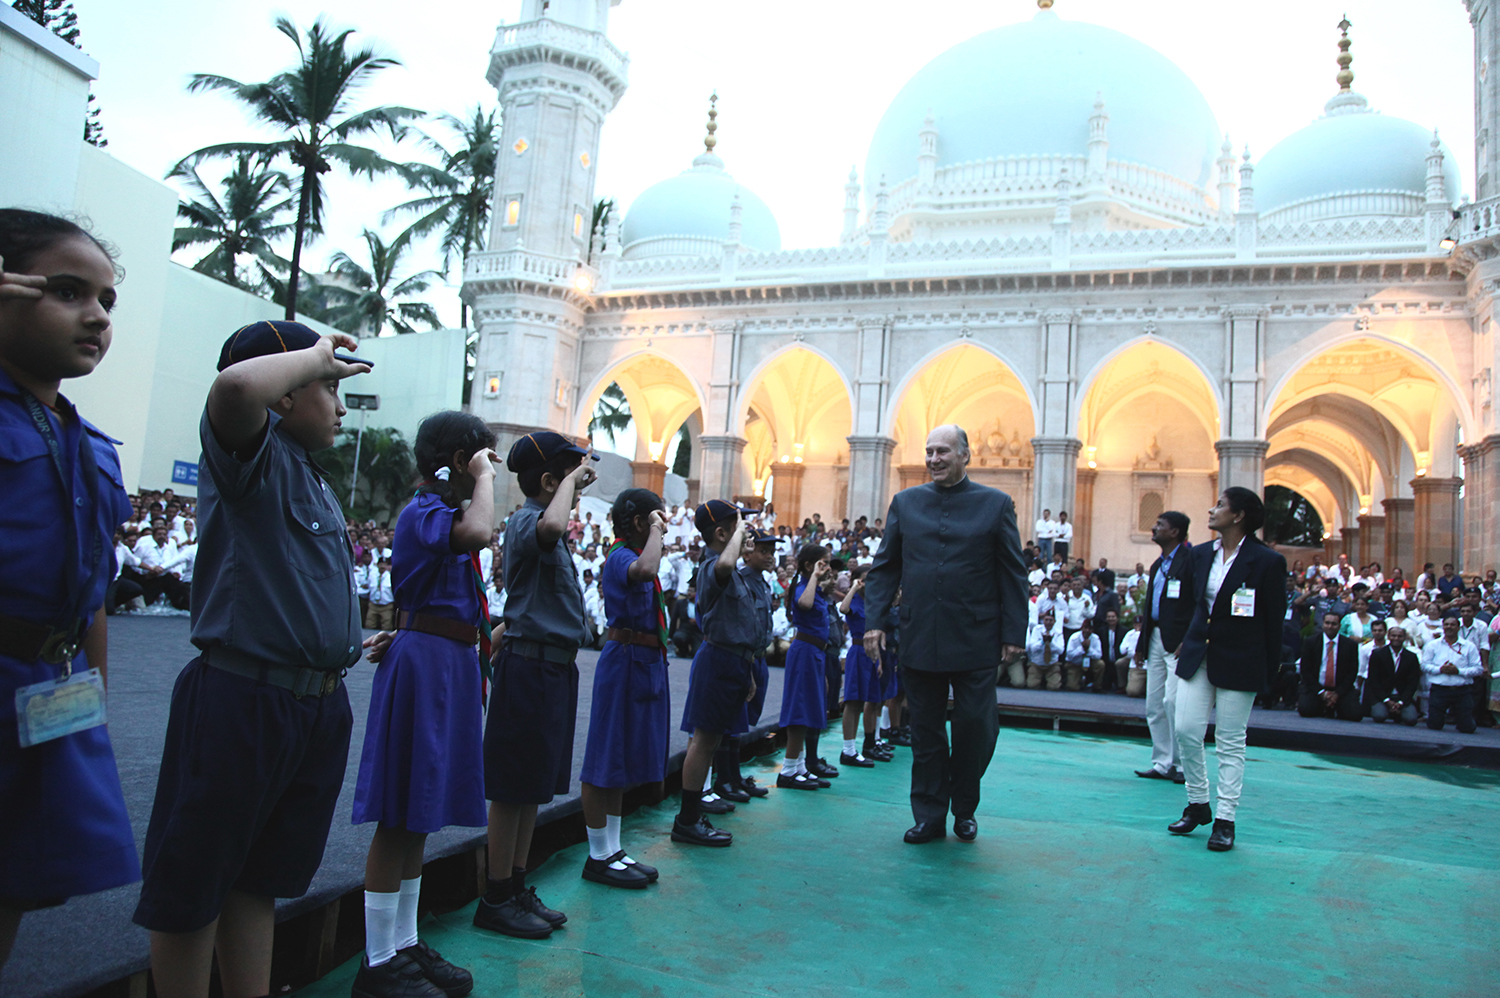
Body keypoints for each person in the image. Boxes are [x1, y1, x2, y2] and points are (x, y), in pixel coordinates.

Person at [133, 321, 370, 998]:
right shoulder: (251, 456)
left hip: (313, 703)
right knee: (195, 882)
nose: (343, 404)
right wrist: (313, 357)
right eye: (329, 387)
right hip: (243, 697)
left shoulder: (308, 474)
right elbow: (236, 388)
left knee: (258, 881)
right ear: (288, 392)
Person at [0, 212, 140, 973]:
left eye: (107, 299)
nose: (96, 315)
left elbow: (91, 593)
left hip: (49, 689)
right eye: (66, 291)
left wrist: (94, 693)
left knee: (16, 881)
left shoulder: (87, 443)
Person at [349, 413, 496, 998]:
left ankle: (403, 944)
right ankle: (379, 960)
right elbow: (478, 532)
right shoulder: (427, 510)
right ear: (461, 461)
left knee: (421, 814)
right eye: (482, 457)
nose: (490, 469)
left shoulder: (441, 510)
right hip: (426, 662)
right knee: (400, 814)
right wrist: (485, 478)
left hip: (447, 661)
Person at [864, 425, 1028, 845]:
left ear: (965, 455)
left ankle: (965, 805)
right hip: (920, 635)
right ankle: (930, 815)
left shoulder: (995, 504)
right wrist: (876, 623)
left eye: (943, 452)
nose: (934, 459)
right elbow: (885, 569)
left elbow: (1013, 572)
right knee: (926, 732)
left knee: (977, 727)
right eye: (929, 452)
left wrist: (1014, 632)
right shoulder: (906, 502)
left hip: (976, 638)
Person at [473, 431, 595, 940]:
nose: (578, 490)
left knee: (531, 790)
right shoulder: (528, 522)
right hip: (529, 668)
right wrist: (569, 482)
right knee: (512, 789)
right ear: (550, 481)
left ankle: (516, 887)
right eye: (568, 479)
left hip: (550, 669)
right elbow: (548, 527)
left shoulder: (547, 529)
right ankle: (496, 895)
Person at [1169, 488, 1287, 853]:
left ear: (1239, 516)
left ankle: (1225, 820)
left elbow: (1273, 619)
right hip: (1199, 654)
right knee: (1186, 729)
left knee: (1231, 740)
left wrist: (1269, 668)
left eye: (1220, 505)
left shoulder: (1267, 561)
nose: (1211, 509)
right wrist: (1181, 641)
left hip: (1242, 659)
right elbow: (1189, 604)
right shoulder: (1200, 554)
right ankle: (1198, 803)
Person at [578, 489, 670, 890]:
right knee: (606, 756)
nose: (662, 525)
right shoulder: (620, 556)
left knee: (622, 760)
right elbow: (647, 570)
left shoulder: (631, 554)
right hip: (624, 658)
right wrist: (657, 533)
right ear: (638, 523)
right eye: (655, 518)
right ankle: (598, 853)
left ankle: (612, 849)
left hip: (643, 660)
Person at [673, 500, 758, 846]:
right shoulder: (713, 565)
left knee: (712, 741)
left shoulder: (732, 571)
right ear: (722, 533)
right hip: (718, 660)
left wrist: (747, 669)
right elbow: (725, 561)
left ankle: (694, 814)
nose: (747, 531)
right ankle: (688, 820)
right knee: (703, 741)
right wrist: (737, 538)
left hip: (734, 661)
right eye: (739, 526)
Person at [713, 527, 779, 803]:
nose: (770, 557)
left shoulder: (763, 582)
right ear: (749, 553)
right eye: (764, 551)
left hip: (758, 657)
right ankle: (724, 780)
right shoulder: (742, 579)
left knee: (741, 723)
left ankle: (734, 777)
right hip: (745, 657)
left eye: (772, 552)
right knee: (729, 722)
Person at [1135, 511, 1193, 784]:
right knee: (1154, 703)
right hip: (1156, 637)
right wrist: (1141, 642)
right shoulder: (1158, 565)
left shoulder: (1189, 562)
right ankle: (1162, 762)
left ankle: (1181, 765)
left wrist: (1189, 638)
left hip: (1177, 641)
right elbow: (1149, 607)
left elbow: (1196, 604)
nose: (1154, 529)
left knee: (1173, 702)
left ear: (1175, 532)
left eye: (1160, 525)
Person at [777, 544, 835, 789]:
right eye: (823, 562)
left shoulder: (818, 590)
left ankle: (799, 767)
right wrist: (814, 576)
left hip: (815, 654)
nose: (828, 567)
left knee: (809, 706)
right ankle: (788, 770)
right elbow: (804, 604)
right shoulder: (804, 586)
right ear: (809, 565)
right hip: (804, 652)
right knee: (799, 709)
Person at [837, 566, 887, 767]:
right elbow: (843, 609)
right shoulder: (855, 600)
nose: (868, 583)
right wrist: (854, 588)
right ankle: (848, 750)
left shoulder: (872, 603)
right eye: (864, 580)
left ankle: (870, 742)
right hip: (857, 652)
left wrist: (879, 660)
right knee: (853, 702)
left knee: (873, 700)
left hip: (872, 655)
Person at [1421, 616, 1483, 733]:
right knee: (1434, 725)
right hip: (1439, 690)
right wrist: (1440, 669)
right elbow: (1424, 665)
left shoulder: (1469, 646)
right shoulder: (1433, 645)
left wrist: (1458, 671)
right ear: (1443, 627)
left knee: (1467, 728)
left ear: (1458, 627)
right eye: (1446, 624)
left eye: (1452, 624)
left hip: (1462, 691)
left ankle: (1464, 719)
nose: (1449, 627)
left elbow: (1478, 669)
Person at [1298, 611, 1362, 721]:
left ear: (1339, 626)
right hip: (1317, 688)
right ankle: (1324, 706)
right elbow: (1305, 670)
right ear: (1323, 624)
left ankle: (1333, 705)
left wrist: (1337, 694)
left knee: (1354, 715)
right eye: (1327, 623)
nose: (1330, 626)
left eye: (1334, 624)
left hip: (1340, 689)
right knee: (1306, 710)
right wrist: (1321, 692)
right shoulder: (1311, 642)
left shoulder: (1350, 645)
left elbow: (1352, 672)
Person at [1362, 626, 1421, 725]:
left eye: (1400, 636)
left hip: (1402, 697)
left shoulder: (1411, 657)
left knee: (1411, 719)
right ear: (1388, 636)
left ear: (1404, 637)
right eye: (1393, 636)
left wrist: (1401, 702)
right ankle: (1391, 711)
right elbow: (1373, 680)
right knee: (1379, 716)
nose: (1396, 638)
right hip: (1383, 696)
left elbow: (1413, 683)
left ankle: (1397, 711)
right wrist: (1387, 700)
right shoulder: (1377, 654)